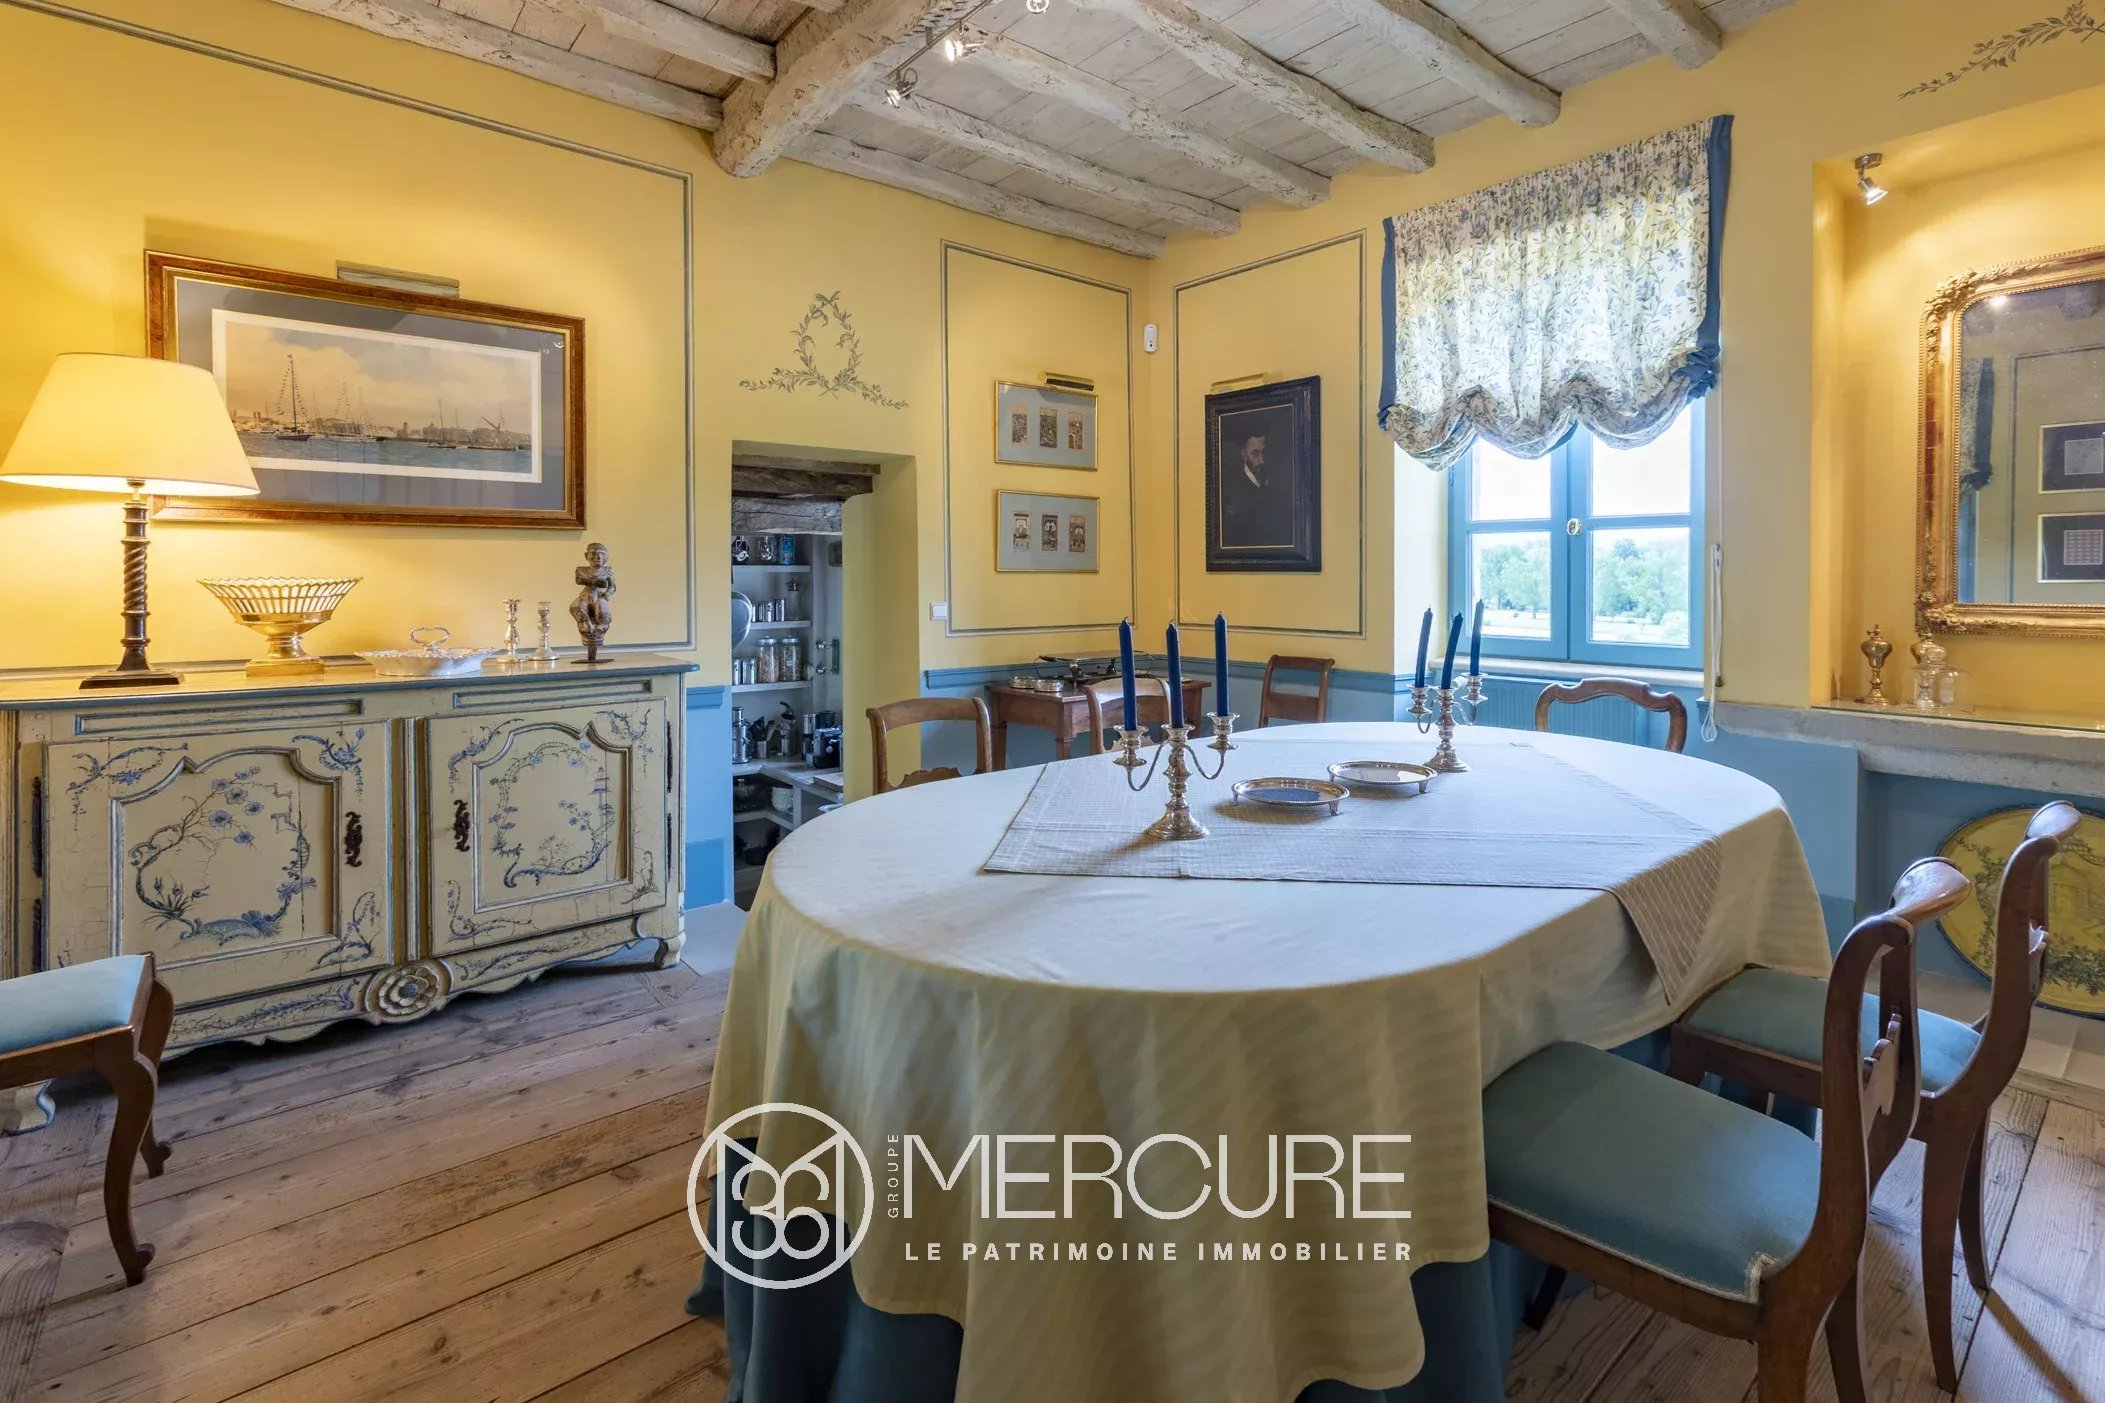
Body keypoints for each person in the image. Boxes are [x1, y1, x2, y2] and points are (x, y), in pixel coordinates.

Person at [1220, 427, 1291, 549]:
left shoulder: (1274, 477)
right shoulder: (1233, 489)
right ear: (1244, 455)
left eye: (1264, 452)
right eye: (1255, 454)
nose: (1262, 460)